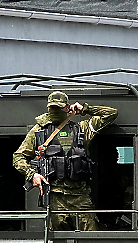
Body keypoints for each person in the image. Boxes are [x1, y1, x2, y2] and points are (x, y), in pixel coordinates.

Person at [13, 91, 117, 230]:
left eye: (59, 107)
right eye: (52, 107)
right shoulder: (39, 131)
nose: (55, 110)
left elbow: (111, 113)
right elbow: (18, 157)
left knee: (91, 240)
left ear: (67, 107)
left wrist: (85, 109)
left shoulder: (82, 128)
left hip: (80, 196)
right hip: (55, 197)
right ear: (48, 108)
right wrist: (32, 175)